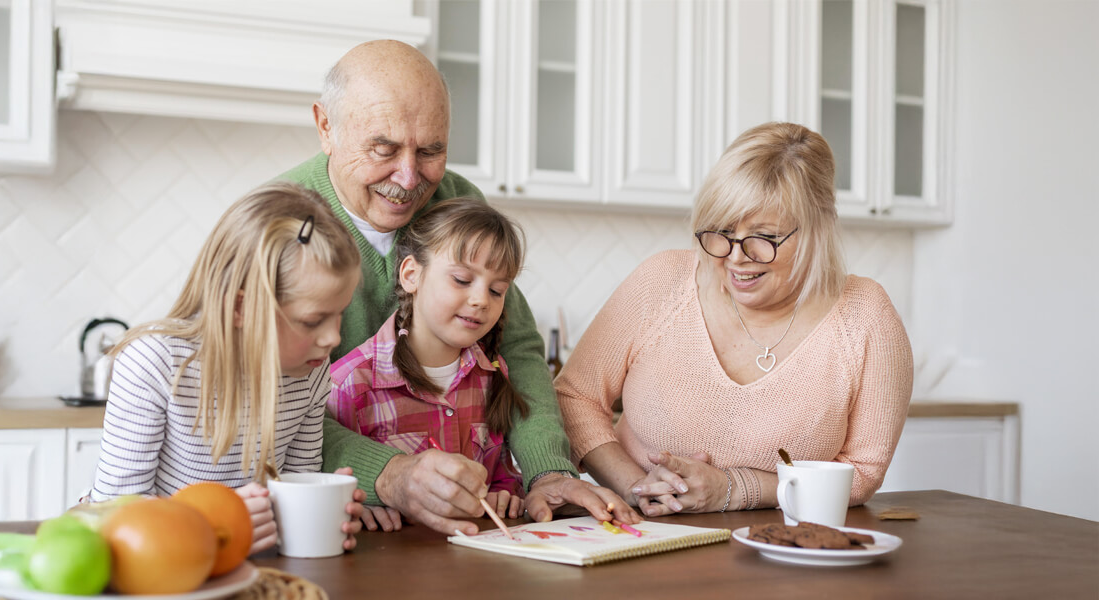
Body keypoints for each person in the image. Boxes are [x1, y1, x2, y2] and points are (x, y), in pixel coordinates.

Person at [275, 39, 636, 535]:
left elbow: (518, 350)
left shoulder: (457, 199)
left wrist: (547, 469)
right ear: (325, 127)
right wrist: (386, 474)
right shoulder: (276, 223)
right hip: (341, 519)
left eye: (431, 150)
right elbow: (268, 406)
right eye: (383, 149)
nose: (408, 177)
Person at [556, 122, 914, 516]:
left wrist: (735, 489)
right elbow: (575, 396)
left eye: (764, 235)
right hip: (640, 528)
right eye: (722, 229)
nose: (735, 256)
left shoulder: (865, 316)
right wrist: (637, 487)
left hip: (784, 550)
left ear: (819, 227)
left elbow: (862, 471)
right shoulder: (663, 282)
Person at [88, 182, 368, 554]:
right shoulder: (154, 363)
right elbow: (112, 513)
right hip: (160, 571)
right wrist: (217, 523)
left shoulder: (310, 370)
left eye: (340, 314)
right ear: (241, 308)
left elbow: (287, 490)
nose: (332, 337)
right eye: (312, 320)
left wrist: (319, 512)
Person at [329, 198, 531, 525]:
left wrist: (503, 492)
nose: (481, 300)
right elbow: (325, 484)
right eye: (462, 280)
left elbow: (500, 474)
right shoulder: (351, 383)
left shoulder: (493, 375)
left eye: (496, 290)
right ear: (411, 275)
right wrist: (359, 504)